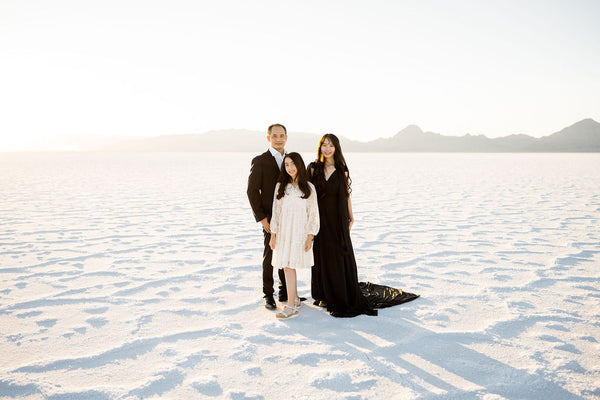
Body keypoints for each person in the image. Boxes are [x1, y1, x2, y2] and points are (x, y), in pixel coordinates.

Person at [307, 134, 419, 317]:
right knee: (322, 254)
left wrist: (351, 216)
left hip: (337, 219)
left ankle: (340, 293)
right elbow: (308, 195)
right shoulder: (313, 168)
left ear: (336, 148)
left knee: (338, 255)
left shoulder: (341, 169)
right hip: (319, 219)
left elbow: (346, 195)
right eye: (324, 145)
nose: (327, 149)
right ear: (320, 148)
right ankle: (325, 294)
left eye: (331, 145)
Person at [269, 153, 319, 319]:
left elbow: (313, 214)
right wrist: (273, 235)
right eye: (287, 164)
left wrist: (310, 236)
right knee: (286, 265)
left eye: (292, 164)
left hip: (299, 231)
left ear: (299, 165)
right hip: (283, 231)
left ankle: (291, 307)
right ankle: (295, 299)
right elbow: (275, 212)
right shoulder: (280, 186)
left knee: (290, 265)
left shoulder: (309, 188)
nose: (290, 168)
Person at [247, 123, 290, 310]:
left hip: (289, 215)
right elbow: (251, 191)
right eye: (275, 136)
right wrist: (263, 219)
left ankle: (285, 290)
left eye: (282, 135)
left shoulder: (291, 159)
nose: (278, 139)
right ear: (268, 138)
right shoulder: (260, 160)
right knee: (270, 255)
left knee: (286, 254)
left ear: (286, 137)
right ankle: (268, 294)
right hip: (270, 218)